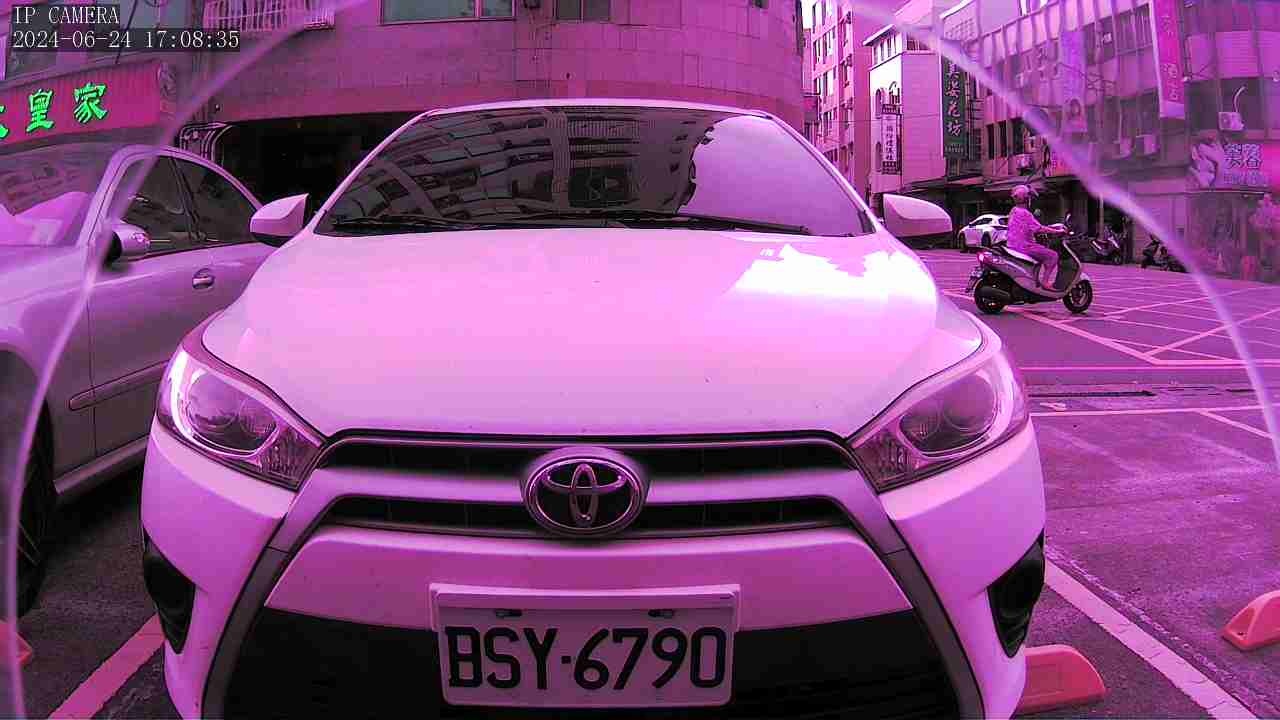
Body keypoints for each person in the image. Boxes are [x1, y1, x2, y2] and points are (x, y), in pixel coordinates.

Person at [1006, 185, 1069, 288]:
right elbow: (1038, 228)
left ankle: (1034, 280)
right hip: (1024, 246)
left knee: (1041, 253)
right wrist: (1057, 231)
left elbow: (1030, 227)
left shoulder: (1014, 210)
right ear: (1027, 199)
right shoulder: (1025, 213)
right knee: (1053, 256)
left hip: (1012, 245)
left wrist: (1050, 228)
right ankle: (1045, 282)